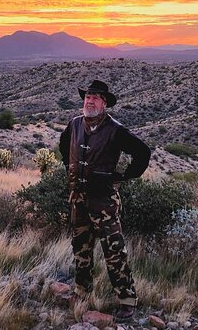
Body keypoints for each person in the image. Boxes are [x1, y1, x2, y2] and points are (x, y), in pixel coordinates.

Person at [59, 79, 151, 323]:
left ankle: (127, 299)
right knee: (81, 245)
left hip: (104, 202)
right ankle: (81, 290)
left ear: (104, 103)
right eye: (87, 96)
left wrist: (123, 176)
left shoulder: (115, 130)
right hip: (77, 197)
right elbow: (62, 145)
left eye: (95, 97)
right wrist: (70, 169)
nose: (90, 100)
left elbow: (143, 153)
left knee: (113, 250)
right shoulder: (74, 124)